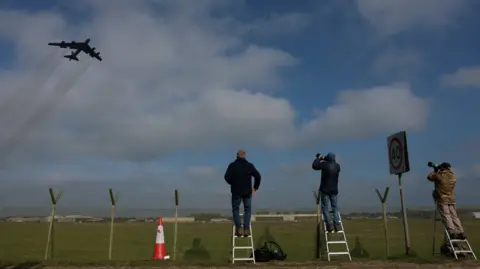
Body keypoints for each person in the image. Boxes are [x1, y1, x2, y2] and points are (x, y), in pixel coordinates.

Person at [224, 149, 261, 237]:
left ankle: (238, 229)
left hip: (236, 192)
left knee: (235, 209)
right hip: (247, 192)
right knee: (247, 210)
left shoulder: (232, 165)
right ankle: (246, 229)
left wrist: (232, 183)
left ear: (237, 156)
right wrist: (255, 188)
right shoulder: (249, 165)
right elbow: (258, 176)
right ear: (245, 156)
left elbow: (226, 177)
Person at [427, 162, 466, 240]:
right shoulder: (453, 176)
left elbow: (429, 177)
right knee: (454, 216)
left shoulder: (440, 175)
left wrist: (435, 170)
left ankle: (452, 231)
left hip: (442, 198)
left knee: (446, 215)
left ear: (443, 168)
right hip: (451, 198)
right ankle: (460, 231)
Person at [312, 152, 341, 232]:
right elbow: (331, 161)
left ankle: (329, 225)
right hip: (334, 190)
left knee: (325, 207)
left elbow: (314, 166)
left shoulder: (324, 165)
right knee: (335, 207)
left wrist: (318, 158)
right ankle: (336, 224)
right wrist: (325, 158)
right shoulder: (337, 166)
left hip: (325, 190)